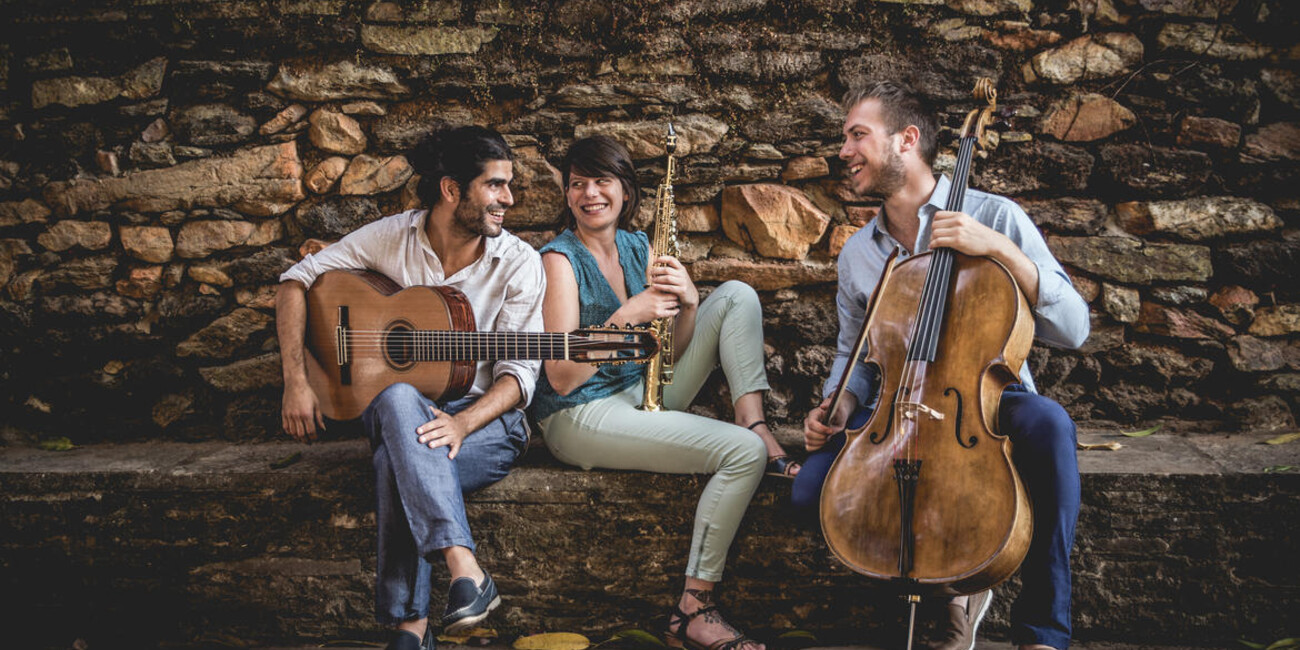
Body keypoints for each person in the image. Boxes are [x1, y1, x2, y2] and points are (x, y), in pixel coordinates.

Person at [793, 81, 1090, 650]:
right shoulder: (858, 253)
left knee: (1052, 425)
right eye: (845, 138)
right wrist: (840, 403)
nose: (844, 151)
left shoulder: (994, 216)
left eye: (857, 135)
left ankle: (1042, 630)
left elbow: (1074, 328)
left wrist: (999, 250)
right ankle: (952, 588)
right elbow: (856, 353)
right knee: (809, 493)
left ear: (906, 140)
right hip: (896, 405)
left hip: (982, 398)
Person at [276, 126, 544, 650]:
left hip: (487, 423)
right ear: (452, 190)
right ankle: (465, 569)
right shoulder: (392, 237)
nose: (509, 199)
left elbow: (519, 375)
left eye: (507, 185)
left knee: (393, 462)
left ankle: (410, 628)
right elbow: (295, 282)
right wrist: (297, 380)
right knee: (399, 397)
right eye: (494, 185)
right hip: (403, 411)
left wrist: (462, 423)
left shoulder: (518, 262)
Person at [531, 135, 786, 650]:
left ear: (625, 190)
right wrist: (627, 316)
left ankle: (753, 419)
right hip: (580, 414)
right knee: (743, 455)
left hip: (639, 389)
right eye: (577, 184)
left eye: (601, 181)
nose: (589, 194)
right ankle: (693, 609)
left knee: (736, 295)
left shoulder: (636, 246)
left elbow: (667, 355)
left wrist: (688, 304)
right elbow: (560, 376)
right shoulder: (558, 260)